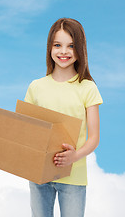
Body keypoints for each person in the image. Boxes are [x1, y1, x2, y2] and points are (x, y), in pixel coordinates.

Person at [24, 18, 103, 217]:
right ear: (49, 48)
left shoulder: (87, 88)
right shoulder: (36, 87)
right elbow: (24, 129)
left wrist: (74, 156)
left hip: (73, 176)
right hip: (39, 174)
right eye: (57, 45)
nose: (64, 52)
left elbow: (94, 138)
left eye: (71, 46)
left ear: (81, 50)